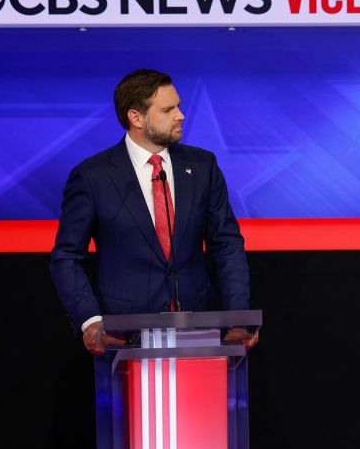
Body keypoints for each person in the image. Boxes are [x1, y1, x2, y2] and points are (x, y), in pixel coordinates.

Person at [50, 68, 258, 352]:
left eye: (179, 106)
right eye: (168, 109)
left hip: (198, 329)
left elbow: (226, 244)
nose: (180, 115)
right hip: (124, 338)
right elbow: (67, 257)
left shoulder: (202, 166)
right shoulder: (92, 177)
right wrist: (90, 320)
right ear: (136, 117)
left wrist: (237, 317)